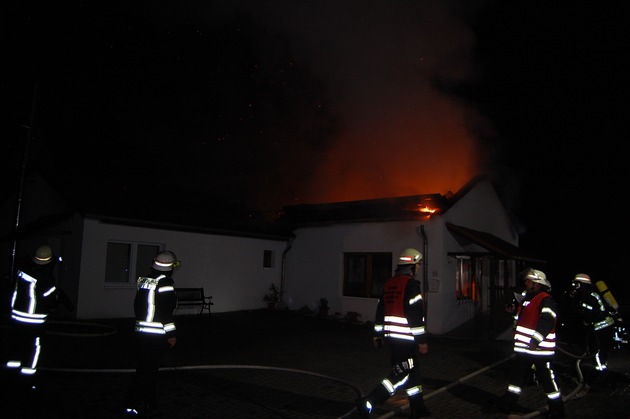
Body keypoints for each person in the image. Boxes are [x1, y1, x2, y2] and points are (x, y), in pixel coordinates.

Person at [355, 247, 431, 418]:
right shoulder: (411, 285)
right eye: (418, 265)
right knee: (401, 374)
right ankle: (369, 402)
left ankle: (418, 407)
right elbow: (414, 315)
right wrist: (421, 341)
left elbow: (380, 310)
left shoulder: (389, 283)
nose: (419, 268)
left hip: (393, 338)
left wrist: (378, 335)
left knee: (413, 372)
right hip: (407, 338)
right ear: (412, 266)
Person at [493, 268, 565, 418]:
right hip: (525, 349)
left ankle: (557, 410)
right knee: (517, 378)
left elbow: (547, 321)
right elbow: (524, 318)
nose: (525, 282)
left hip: (540, 350)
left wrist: (535, 340)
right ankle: (507, 404)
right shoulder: (527, 298)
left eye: (528, 280)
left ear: (537, 283)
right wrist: (513, 312)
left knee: (547, 381)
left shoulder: (545, 299)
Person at [124, 250, 179, 417]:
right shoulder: (165, 284)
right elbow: (165, 312)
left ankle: (145, 402)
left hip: (141, 333)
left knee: (144, 369)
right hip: (155, 335)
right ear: (170, 267)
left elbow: (139, 305)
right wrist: (171, 334)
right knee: (148, 372)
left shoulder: (145, 281)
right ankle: (137, 403)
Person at [5, 245, 66, 392]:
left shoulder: (22, 271)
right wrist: (58, 299)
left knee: (16, 346)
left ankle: (9, 378)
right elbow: (50, 301)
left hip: (17, 316)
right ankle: (26, 381)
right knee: (32, 349)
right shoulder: (46, 278)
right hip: (34, 320)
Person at [567, 273, 615, 385]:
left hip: (599, 327)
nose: (575, 287)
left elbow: (588, 312)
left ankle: (601, 373)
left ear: (582, 284)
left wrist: (587, 320)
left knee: (596, 351)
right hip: (603, 326)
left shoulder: (587, 296)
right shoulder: (591, 294)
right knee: (601, 350)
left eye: (576, 284)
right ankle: (603, 370)